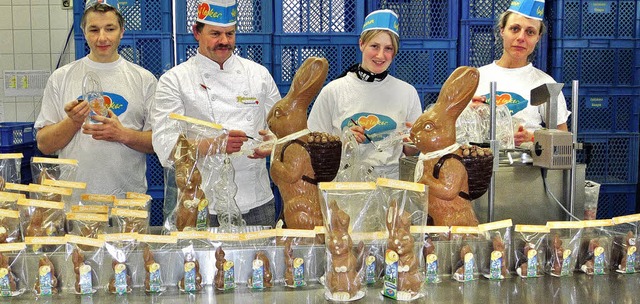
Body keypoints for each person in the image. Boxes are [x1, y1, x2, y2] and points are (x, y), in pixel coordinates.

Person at [151, 0, 281, 227]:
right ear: (196, 32)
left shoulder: (258, 75)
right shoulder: (175, 80)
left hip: (258, 202)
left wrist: (274, 144)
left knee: (262, 262)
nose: (224, 41)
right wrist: (215, 145)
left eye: (230, 34)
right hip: (201, 203)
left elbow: (281, 130)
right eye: (215, 34)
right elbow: (165, 145)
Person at [35, 0, 156, 197]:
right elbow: (44, 145)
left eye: (110, 29)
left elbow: (157, 143)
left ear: (122, 31)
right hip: (74, 203)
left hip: (127, 204)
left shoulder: (144, 79)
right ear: (84, 32)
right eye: (94, 29)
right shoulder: (61, 77)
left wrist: (122, 134)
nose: (102, 37)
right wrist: (73, 121)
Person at [307, 9, 421, 180]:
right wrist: (344, 142)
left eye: (388, 48)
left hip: (390, 187)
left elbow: (411, 151)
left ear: (395, 52)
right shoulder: (334, 91)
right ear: (361, 44)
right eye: (374, 46)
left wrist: (414, 142)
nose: (380, 55)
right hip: (345, 187)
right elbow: (312, 146)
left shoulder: (407, 92)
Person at [471, 0, 570, 147]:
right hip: (481, 166)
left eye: (530, 32)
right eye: (515, 29)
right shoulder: (476, 78)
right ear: (502, 30)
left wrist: (531, 138)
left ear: (538, 37)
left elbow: (563, 140)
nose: (521, 38)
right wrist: (469, 114)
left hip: (526, 168)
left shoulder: (545, 84)